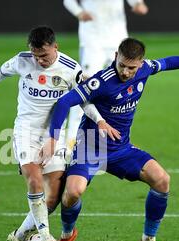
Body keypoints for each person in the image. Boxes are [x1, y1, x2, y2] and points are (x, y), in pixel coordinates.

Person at [40, 38, 179, 241]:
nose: (125, 71)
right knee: (72, 193)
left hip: (121, 148)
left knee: (162, 180)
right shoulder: (101, 81)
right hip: (91, 147)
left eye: (131, 67)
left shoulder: (145, 70)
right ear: (115, 57)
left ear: (140, 64)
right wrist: (53, 138)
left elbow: (169, 62)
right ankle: (65, 239)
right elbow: (64, 103)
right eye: (122, 64)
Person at [0, 26, 118, 241]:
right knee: (33, 178)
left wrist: (100, 120)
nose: (40, 60)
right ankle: (45, 239)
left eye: (44, 55)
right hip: (25, 131)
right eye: (35, 56)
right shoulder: (22, 61)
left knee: (52, 198)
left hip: (55, 134)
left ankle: (20, 236)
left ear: (55, 47)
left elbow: (84, 100)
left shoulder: (71, 68)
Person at [63, 0, 149, 156]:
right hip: (92, 39)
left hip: (118, 39)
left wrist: (137, 4)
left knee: (123, 90)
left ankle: (121, 141)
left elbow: (136, 3)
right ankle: (71, 142)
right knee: (84, 90)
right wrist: (78, 12)